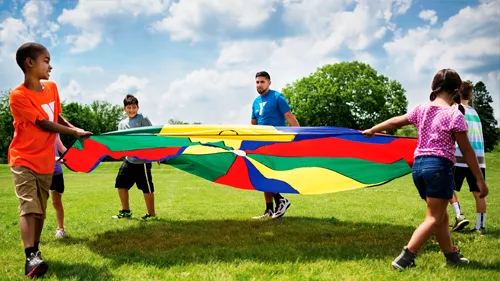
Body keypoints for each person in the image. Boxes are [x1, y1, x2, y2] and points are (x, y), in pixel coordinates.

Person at [362, 69, 488, 270]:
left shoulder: (422, 109)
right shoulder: (454, 115)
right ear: (456, 90)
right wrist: (479, 179)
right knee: (433, 217)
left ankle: (451, 256)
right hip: (439, 167)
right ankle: (405, 258)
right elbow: (467, 150)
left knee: (442, 216)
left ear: (434, 87)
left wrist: (374, 129)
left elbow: (397, 121)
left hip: (419, 167)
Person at [9, 42, 91, 278]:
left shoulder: (52, 87)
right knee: (29, 205)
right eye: (46, 60)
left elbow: (56, 117)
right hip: (23, 158)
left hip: (46, 161)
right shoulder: (18, 96)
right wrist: (74, 133)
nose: (51, 66)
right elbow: (43, 124)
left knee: (41, 211)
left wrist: (76, 128)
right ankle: (30, 255)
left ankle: (35, 253)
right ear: (30, 63)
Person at [250, 71, 300, 219]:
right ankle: (269, 210)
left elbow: (290, 117)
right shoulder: (255, 102)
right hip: (260, 144)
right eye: (257, 82)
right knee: (260, 172)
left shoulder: (277, 98)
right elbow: (253, 124)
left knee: (265, 174)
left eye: (262, 82)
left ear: (269, 83)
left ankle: (281, 200)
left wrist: (298, 137)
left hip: (276, 143)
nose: (259, 85)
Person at [449, 81, 487, 234]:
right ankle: (480, 227)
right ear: (470, 96)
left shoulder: (455, 110)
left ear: (456, 94)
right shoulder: (475, 113)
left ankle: (459, 215)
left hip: (458, 156)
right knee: (479, 194)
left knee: (447, 188)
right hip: (478, 160)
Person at [112, 94, 157, 220]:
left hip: (142, 162)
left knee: (146, 188)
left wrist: (157, 155)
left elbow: (152, 136)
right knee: (120, 184)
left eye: (134, 107)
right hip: (128, 160)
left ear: (138, 107)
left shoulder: (143, 119)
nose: (131, 110)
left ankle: (151, 214)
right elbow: (120, 141)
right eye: (129, 107)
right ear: (124, 109)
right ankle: (126, 211)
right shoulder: (122, 124)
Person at [51, 134, 68, 238]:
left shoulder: (55, 131)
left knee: (56, 202)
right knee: (40, 204)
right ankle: (35, 232)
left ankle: (61, 229)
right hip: (41, 171)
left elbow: (61, 147)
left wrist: (72, 156)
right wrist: (53, 157)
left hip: (56, 171)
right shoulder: (36, 128)